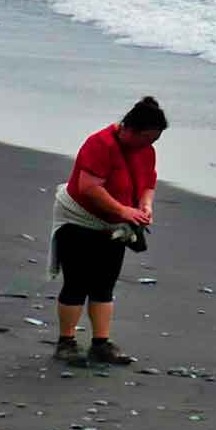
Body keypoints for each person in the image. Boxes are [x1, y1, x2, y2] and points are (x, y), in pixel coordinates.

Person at [48, 95, 164, 365]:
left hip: (114, 224)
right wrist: (124, 211)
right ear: (129, 129)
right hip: (78, 219)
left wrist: (145, 206)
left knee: (104, 284)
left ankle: (101, 343)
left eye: (154, 141)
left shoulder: (145, 150)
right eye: (146, 138)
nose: (149, 145)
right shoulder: (100, 144)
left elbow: (148, 183)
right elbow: (89, 187)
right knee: (76, 282)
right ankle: (66, 342)